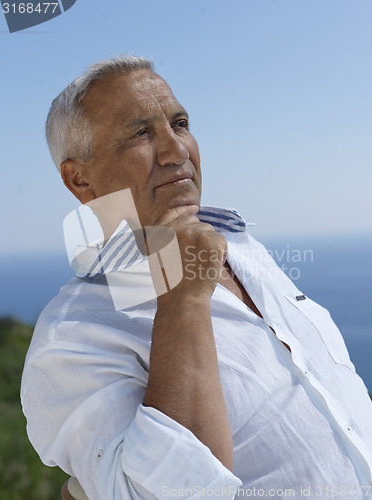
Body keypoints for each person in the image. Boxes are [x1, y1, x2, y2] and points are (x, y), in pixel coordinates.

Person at [21, 55, 372, 500]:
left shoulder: (244, 247)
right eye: (141, 133)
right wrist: (183, 298)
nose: (177, 150)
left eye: (180, 123)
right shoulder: (72, 336)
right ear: (79, 179)